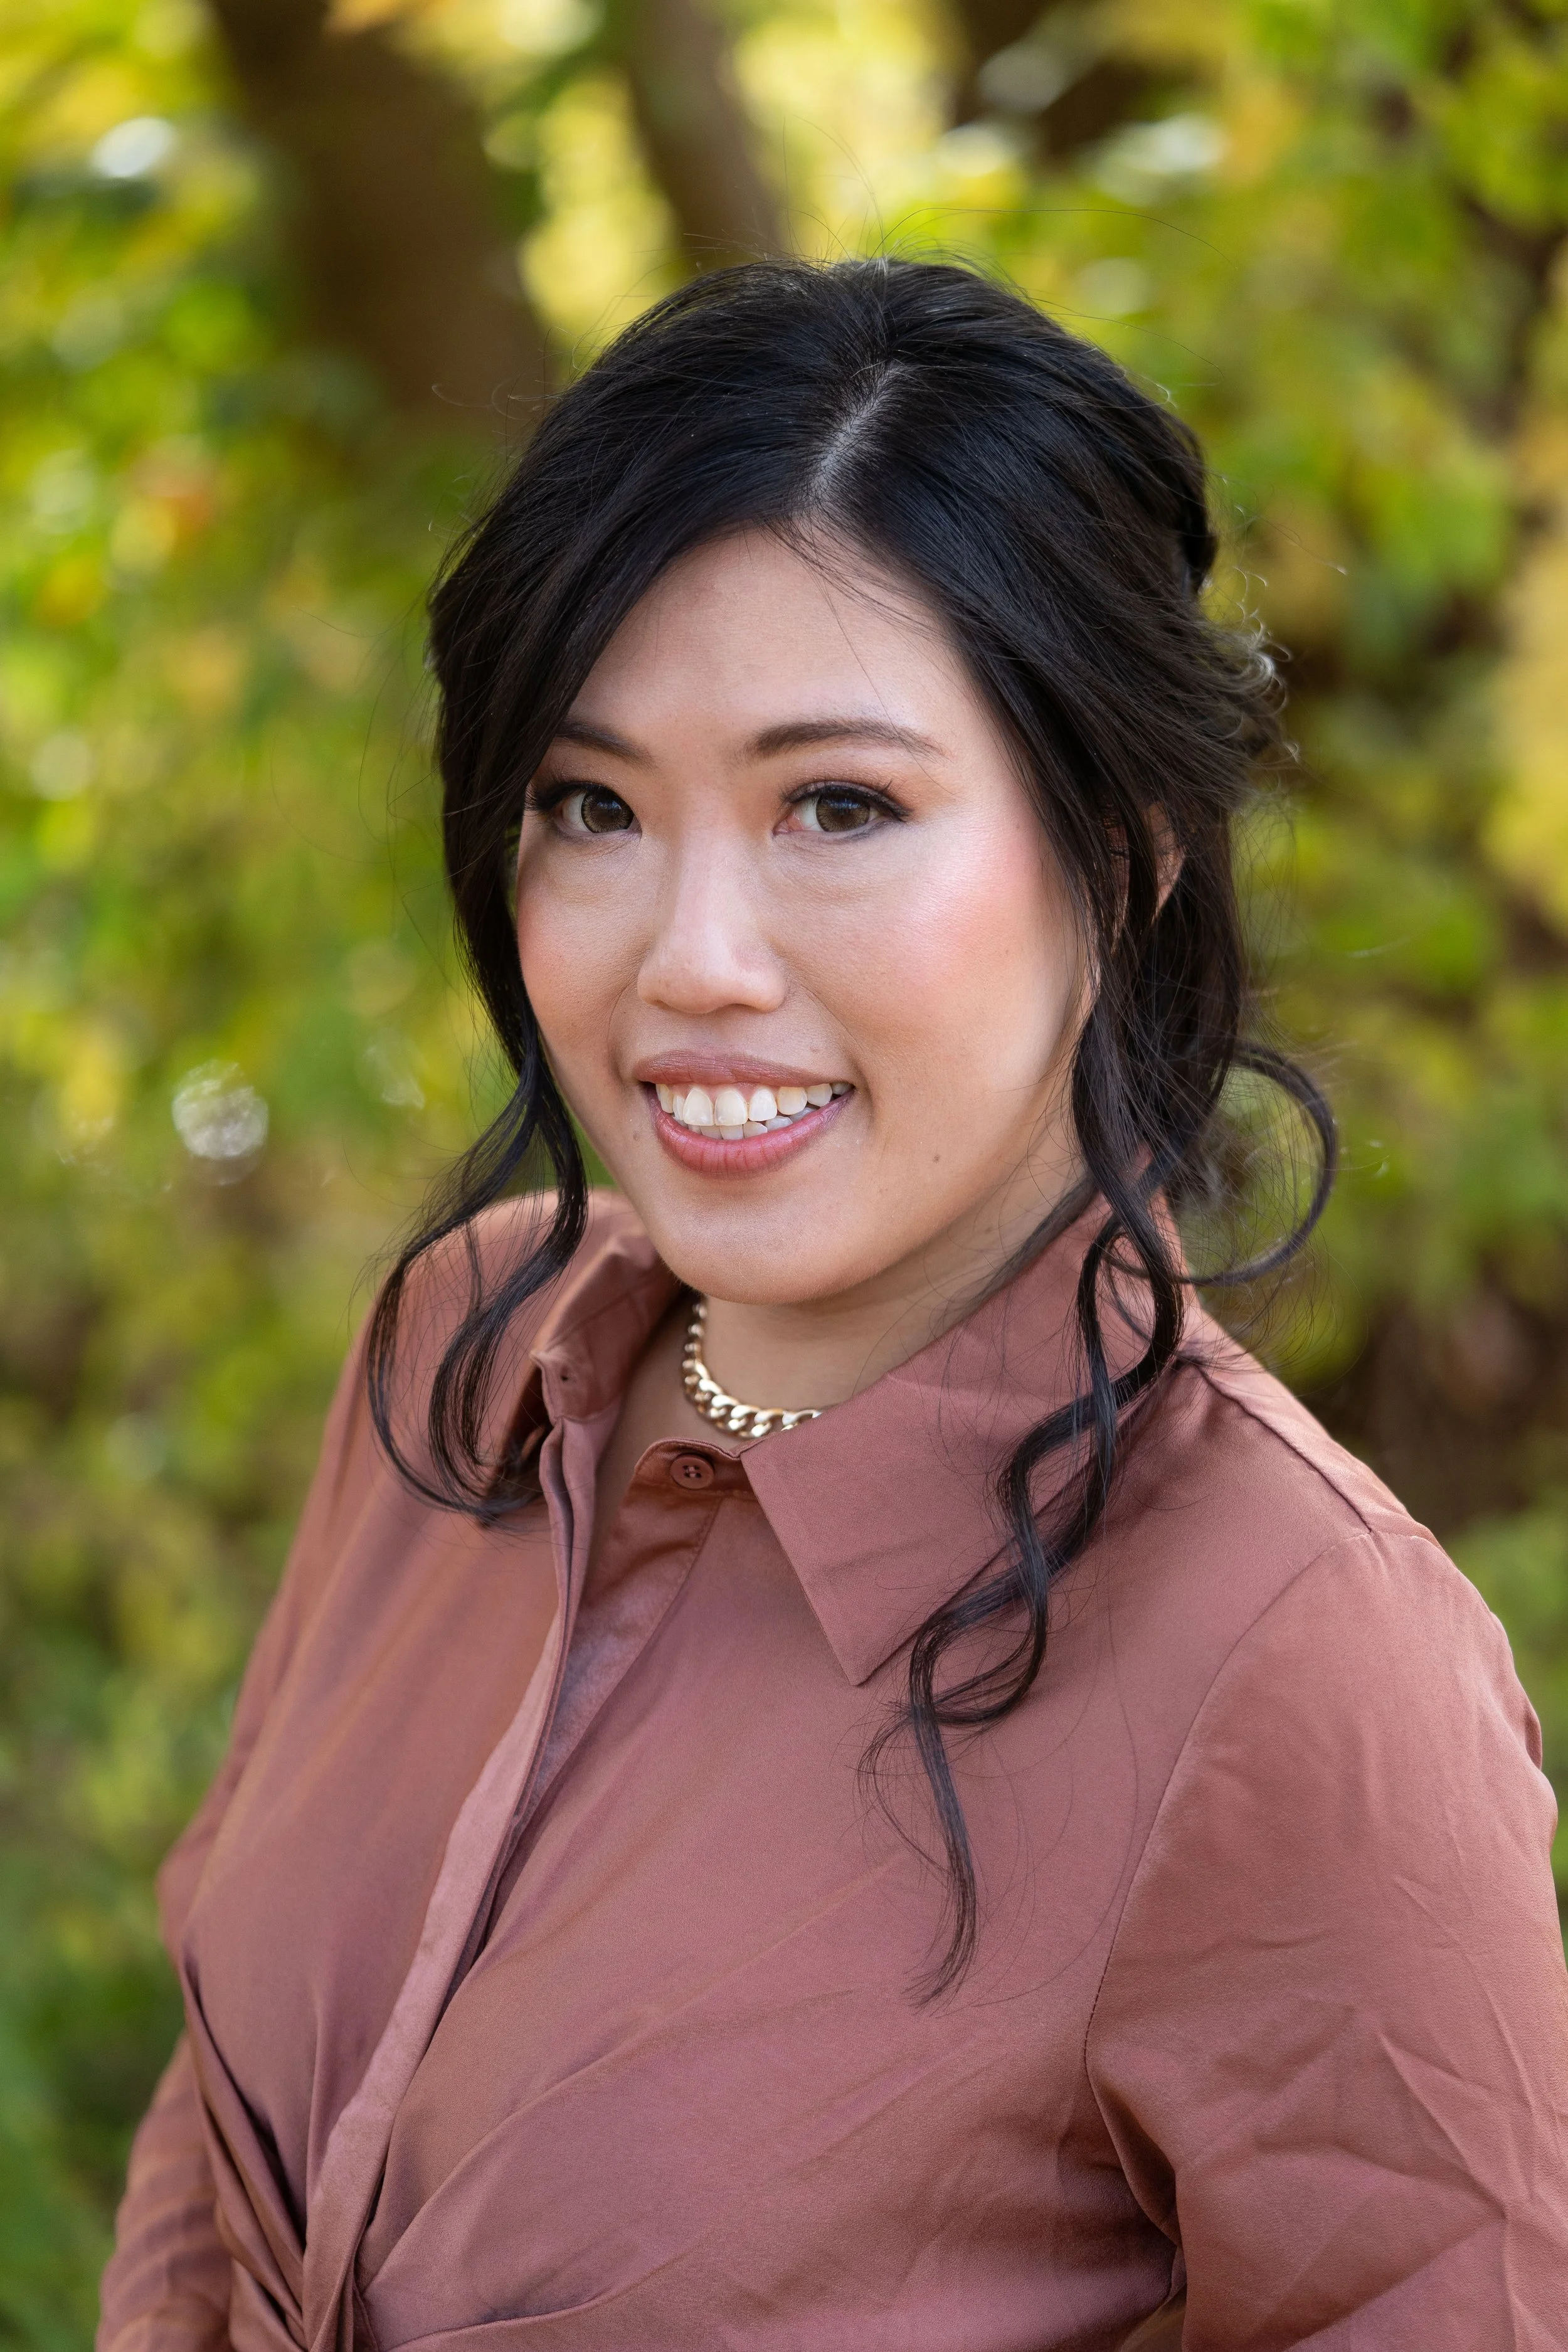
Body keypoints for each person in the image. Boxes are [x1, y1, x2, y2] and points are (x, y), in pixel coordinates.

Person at [99, 258, 1568, 2352]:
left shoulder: (1292, 1659)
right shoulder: (458, 1352)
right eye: (590, 806)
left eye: (839, 807)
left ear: (1124, 845)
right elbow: (211, 2126)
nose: (690, 955)